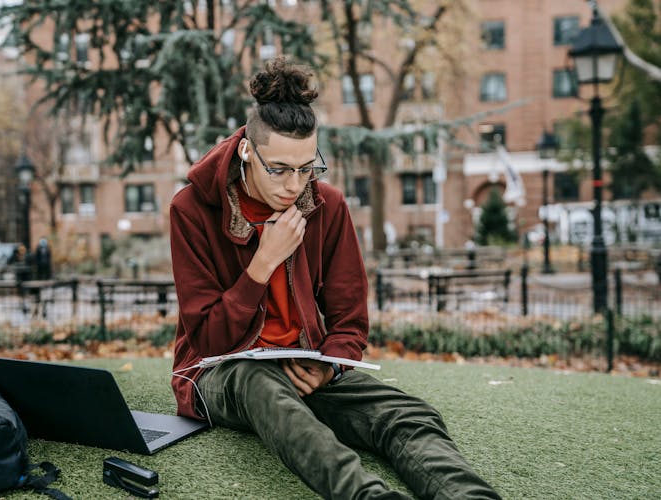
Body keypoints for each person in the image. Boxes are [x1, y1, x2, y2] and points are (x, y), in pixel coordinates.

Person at [169, 57, 501, 499]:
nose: (294, 185)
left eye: (307, 168)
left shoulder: (327, 204)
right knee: (258, 382)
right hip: (221, 373)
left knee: (405, 413)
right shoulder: (190, 210)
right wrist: (262, 265)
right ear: (247, 151)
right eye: (280, 170)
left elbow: (349, 319)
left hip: (307, 366)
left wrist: (327, 365)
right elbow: (209, 341)